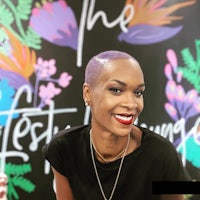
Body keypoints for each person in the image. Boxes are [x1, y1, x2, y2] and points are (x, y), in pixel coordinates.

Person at [42, 50, 190, 200]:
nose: (131, 104)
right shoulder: (64, 148)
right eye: (116, 90)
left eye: (138, 92)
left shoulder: (163, 154)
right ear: (88, 93)